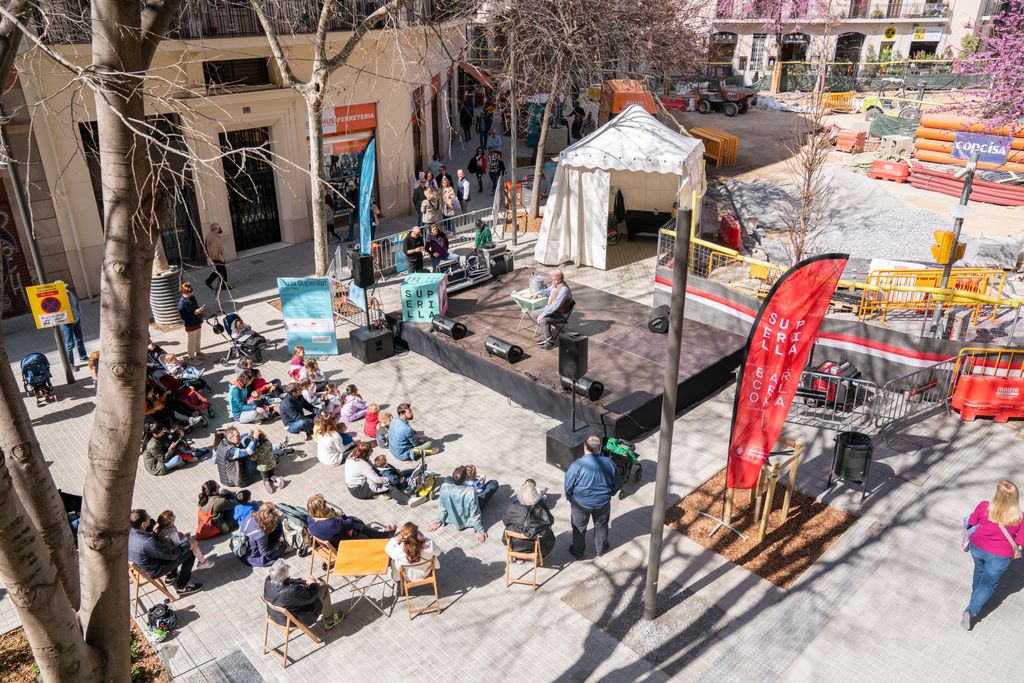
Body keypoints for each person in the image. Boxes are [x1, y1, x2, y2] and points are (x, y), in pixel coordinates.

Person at [962, 479, 1024, 630]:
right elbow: (1021, 540)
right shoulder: (1020, 517)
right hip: (1000, 557)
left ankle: (974, 598)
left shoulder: (985, 507)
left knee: (979, 570)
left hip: (977, 548)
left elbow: (970, 521)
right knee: (989, 583)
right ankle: (972, 610)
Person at [565, 435, 620, 559]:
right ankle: (600, 549)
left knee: (579, 527)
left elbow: (568, 484)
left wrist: (570, 497)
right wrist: (609, 495)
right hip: (602, 503)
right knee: (601, 525)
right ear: (599, 448)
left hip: (580, 504)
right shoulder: (609, 463)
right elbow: (616, 484)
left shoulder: (577, 464)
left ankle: (578, 551)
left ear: (585, 447)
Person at [129, 509, 202, 596]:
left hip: (142, 565)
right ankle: (182, 587)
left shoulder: (130, 531)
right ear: (143, 524)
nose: (150, 517)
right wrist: (188, 544)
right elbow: (172, 555)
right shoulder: (147, 542)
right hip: (155, 570)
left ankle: (171, 576)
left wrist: (153, 526)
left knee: (168, 546)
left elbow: (150, 529)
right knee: (190, 552)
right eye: (148, 517)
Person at [264, 559, 341, 631]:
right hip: (293, 620)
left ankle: (326, 612)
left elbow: (288, 581)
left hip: (276, 616)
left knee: (314, 589)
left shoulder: (269, 579)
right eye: (287, 567)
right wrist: (312, 584)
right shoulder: (292, 591)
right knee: (323, 587)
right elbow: (312, 596)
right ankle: (330, 620)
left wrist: (304, 582)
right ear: (284, 576)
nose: (288, 567)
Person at [427, 466, 490, 543]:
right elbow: (475, 513)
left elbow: (442, 507)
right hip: (467, 521)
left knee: (447, 478)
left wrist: (438, 521)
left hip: (451, 518)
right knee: (493, 484)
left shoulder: (444, 487)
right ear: (466, 478)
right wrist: (479, 530)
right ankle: (481, 484)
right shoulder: (470, 491)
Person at [306, 494, 393, 547]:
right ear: (321, 510)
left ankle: (379, 536)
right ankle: (383, 536)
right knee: (356, 524)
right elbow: (349, 523)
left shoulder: (310, 518)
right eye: (325, 505)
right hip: (341, 544)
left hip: (330, 541)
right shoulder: (330, 524)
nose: (327, 506)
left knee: (355, 524)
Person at [502, 479, 555, 557]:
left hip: (515, 544)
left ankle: (518, 555)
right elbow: (550, 521)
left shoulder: (514, 506)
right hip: (535, 545)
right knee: (547, 532)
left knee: (509, 527)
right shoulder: (541, 506)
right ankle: (539, 555)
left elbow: (505, 520)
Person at [530, 270, 573, 350]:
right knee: (534, 314)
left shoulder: (564, 290)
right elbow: (548, 291)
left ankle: (550, 342)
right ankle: (547, 334)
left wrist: (543, 314)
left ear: (559, 280)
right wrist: (538, 293)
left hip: (560, 314)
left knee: (543, 320)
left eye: (552, 279)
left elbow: (555, 305)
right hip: (551, 310)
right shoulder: (555, 285)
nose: (550, 280)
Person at [240, 502, 289, 567]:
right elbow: (264, 553)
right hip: (252, 557)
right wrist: (279, 541)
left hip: (245, 546)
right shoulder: (261, 535)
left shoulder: (251, 515)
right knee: (283, 545)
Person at [59, 284, 87, 367]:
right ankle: (70, 364)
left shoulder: (69, 293)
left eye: (64, 287)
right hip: (66, 323)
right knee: (69, 344)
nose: (64, 288)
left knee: (79, 340)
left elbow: (77, 303)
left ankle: (83, 357)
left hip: (76, 320)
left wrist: (79, 314)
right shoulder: (58, 297)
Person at [177, 283, 206, 360]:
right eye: (189, 293)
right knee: (191, 341)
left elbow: (196, 306)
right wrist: (194, 313)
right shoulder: (181, 304)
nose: (191, 294)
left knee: (198, 339)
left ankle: (198, 352)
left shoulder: (192, 297)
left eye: (191, 292)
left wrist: (200, 309)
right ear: (184, 293)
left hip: (197, 321)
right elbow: (183, 317)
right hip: (190, 324)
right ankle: (192, 357)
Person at [203, 223, 230, 291]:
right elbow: (213, 250)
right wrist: (220, 257)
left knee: (219, 270)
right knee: (223, 271)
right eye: (219, 228)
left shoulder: (210, 235)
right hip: (217, 257)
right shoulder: (213, 237)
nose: (220, 229)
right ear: (215, 229)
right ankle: (223, 286)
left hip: (215, 257)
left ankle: (209, 281)